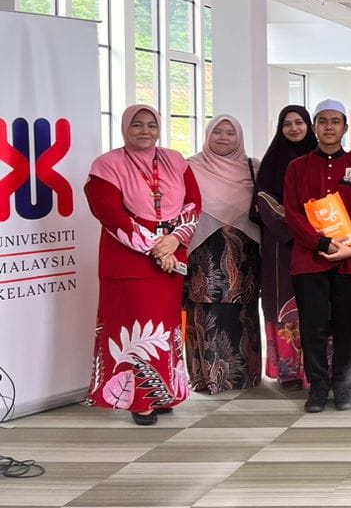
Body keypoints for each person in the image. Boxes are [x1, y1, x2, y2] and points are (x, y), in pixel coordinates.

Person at [84, 104, 201, 425]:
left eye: (151, 124)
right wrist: (155, 248)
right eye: (137, 125)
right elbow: (110, 214)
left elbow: (193, 204)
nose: (145, 131)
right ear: (125, 128)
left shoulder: (176, 161)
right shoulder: (106, 166)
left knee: (165, 328)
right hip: (127, 264)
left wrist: (175, 241)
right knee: (133, 331)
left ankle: (164, 394)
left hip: (169, 259)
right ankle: (139, 400)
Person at [284, 99, 351, 413]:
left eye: (335, 121)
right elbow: (292, 213)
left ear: (345, 127)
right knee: (314, 327)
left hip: (350, 262)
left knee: (349, 328)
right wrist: (320, 243)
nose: (329, 127)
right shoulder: (298, 167)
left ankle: (343, 386)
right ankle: (318, 389)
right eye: (322, 121)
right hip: (309, 261)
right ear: (314, 127)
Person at [184, 115, 262, 395]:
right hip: (204, 253)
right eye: (218, 132)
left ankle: (245, 375)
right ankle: (208, 378)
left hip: (244, 253)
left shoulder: (253, 168)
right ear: (207, 134)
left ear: (239, 136)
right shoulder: (190, 167)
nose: (224, 137)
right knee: (206, 313)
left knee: (243, 312)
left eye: (231, 132)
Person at [254, 105, 317, 389]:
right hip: (284, 243)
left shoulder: (319, 158)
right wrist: (296, 228)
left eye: (299, 122)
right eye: (287, 124)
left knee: (317, 303)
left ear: (309, 126)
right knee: (282, 300)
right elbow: (263, 200)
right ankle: (289, 370)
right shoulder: (272, 162)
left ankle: (317, 369)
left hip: (319, 242)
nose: (293, 128)